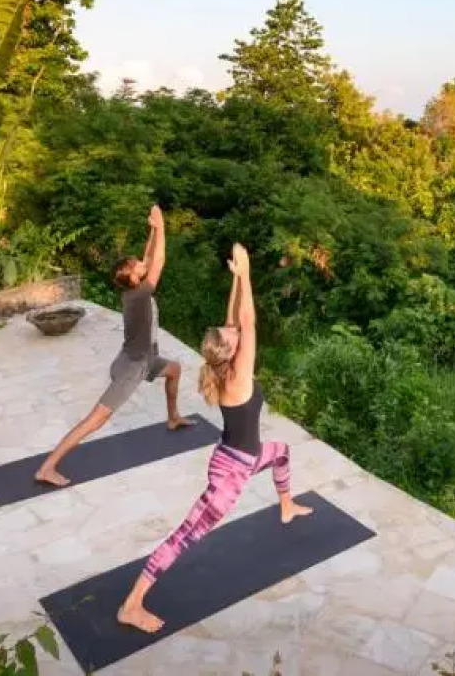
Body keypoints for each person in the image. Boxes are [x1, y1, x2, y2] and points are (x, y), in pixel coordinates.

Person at [117, 243, 312, 633]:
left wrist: (236, 280)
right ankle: (132, 604)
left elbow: (234, 319)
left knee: (282, 451)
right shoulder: (238, 377)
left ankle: (286, 505)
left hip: (240, 456)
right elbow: (248, 322)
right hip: (229, 477)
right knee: (184, 537)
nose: (234, 329)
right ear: (232, 348)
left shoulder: (223, 364)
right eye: (232, 333)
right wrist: (248, 272)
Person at [34, 205, 193, 486]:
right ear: (133, 278)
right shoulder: (140, 294)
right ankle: (47, 467)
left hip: (140, 358)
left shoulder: (133, 290)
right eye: (137, 266)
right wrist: (162, 226)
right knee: (96, 420)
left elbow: (149, 257)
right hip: (132, 368)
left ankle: (173, 417)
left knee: (174, 370)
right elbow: (158, 260)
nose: (142, 264)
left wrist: (153, 230)